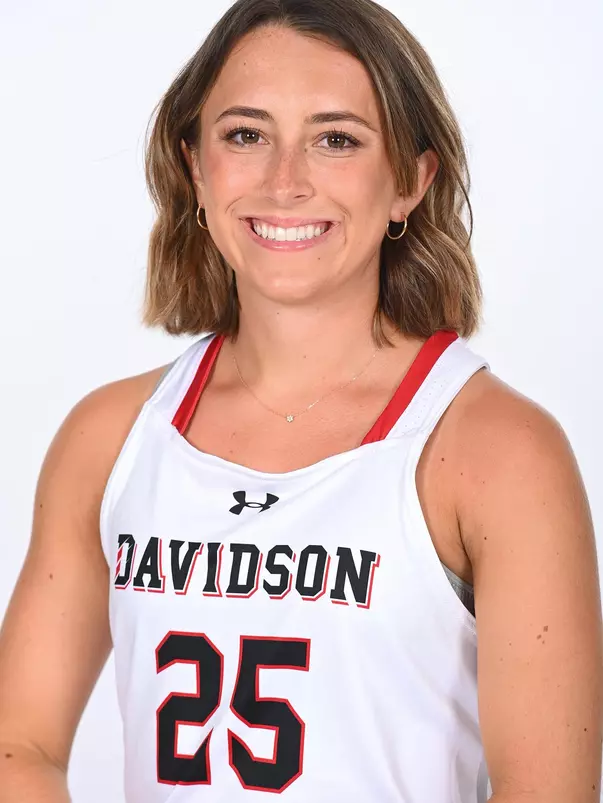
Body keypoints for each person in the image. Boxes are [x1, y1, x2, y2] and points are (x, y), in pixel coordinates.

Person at [0, 0, 601, 800]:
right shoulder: (111, 436)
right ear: (194, 166)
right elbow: (20, 742)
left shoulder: (495, 450)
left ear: (410, 182)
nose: (285, 182)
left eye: (336, 139)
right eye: (245, 135)